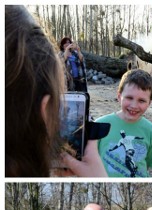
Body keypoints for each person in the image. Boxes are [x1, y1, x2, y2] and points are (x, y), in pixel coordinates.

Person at [5, 5, 106, 177]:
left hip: (80, 82)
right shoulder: (64, 55)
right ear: (44, 112)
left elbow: (82, 62)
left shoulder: (77, 54)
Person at [96, 69, 152, 177]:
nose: (134, 105)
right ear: (119, 96)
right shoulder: (99, 125)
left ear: (150, 102)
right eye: (129, 98)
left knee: (129, 160)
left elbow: (149, 165)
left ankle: (132, 168)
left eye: (141, 100)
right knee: (127, 160)